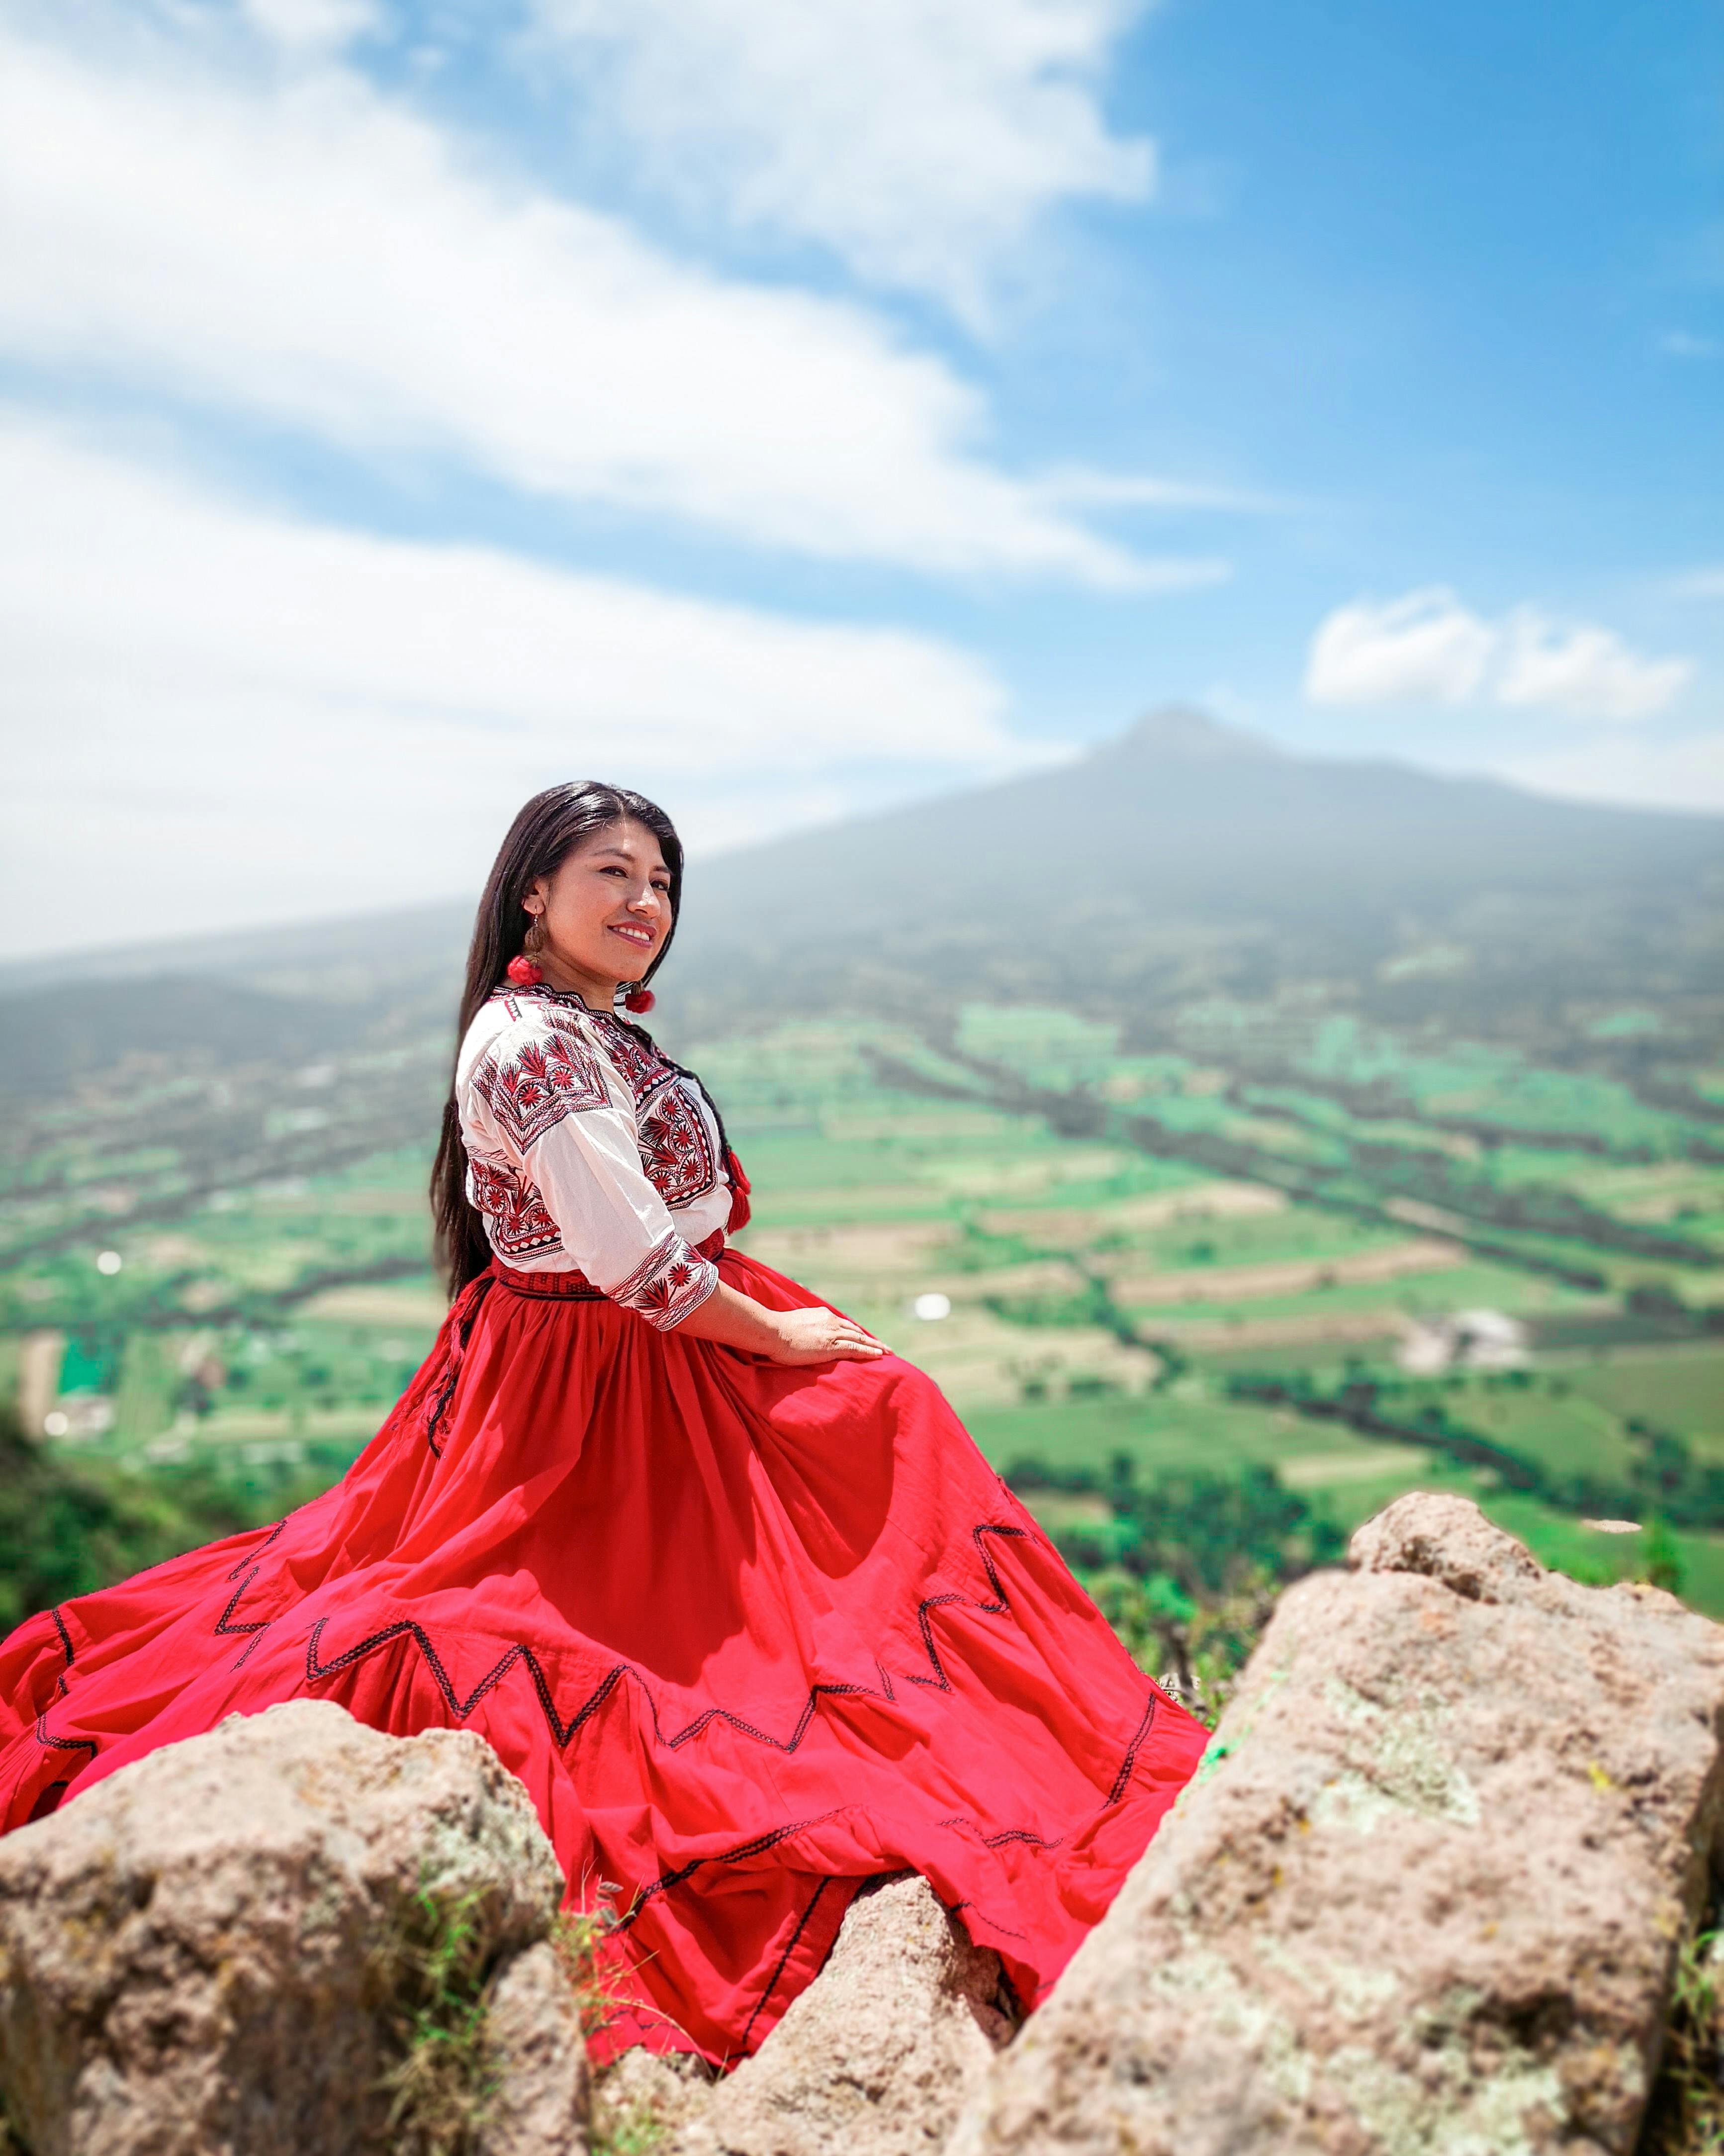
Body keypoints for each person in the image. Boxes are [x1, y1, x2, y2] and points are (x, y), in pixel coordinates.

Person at [0, 782, 1206, 2064]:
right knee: (776, 1533)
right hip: (597, 1387)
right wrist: (781, 1333)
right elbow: (639, 1266)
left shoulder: (576, 1025)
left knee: (887, 1420)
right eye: (614, 876)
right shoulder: (530, 1044)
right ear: (534, 891)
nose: (647, 905)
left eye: (663, 884)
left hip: (654, 1356)